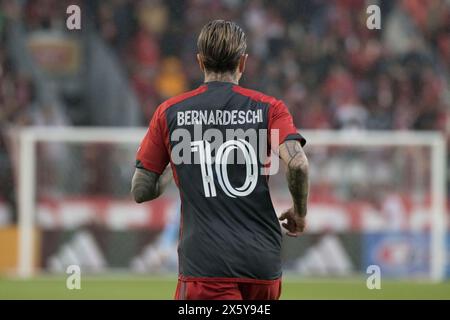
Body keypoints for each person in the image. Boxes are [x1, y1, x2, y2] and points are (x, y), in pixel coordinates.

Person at [131, 20, 309, 300]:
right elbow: (298, 164)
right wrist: (299, 212)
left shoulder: (170, 112)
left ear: (200, 62)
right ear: (243, 62)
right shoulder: (269, 108)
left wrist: (182, 152)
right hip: (262, 265)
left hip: (205, 266)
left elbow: (141, 190)